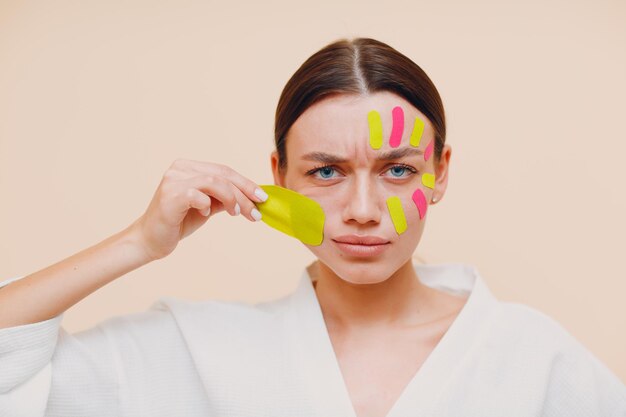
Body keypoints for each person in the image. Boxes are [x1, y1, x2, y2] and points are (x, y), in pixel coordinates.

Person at [1, 37, 624, 417]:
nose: (361, 207)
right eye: (326, 171)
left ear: (439, 172)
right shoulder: (198, 351)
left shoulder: (533, 357)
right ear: (278, 174)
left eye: (397, 170)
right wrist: (139, 241)